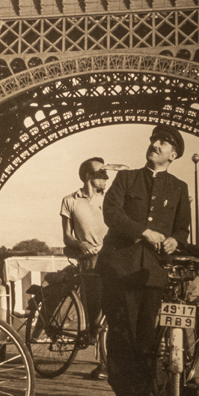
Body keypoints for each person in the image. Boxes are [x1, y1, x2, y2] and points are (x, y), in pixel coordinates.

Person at [96, 124, 192, 396]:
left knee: (147, 336)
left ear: (173, 155)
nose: (157, 144)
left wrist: (176, 240)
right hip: (120, 267)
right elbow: (111, 213)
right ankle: (126, 395)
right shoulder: (126, 178)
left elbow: (182, 229)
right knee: (123, 333)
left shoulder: (179, 187)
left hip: (152, 272)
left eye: (164, 143)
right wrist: (144, 232)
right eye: (155, 140)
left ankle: (145, 390)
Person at [60, 156, 114, 380]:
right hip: (89, 261)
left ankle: (106, 362)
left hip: (111, 258)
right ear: (88, 176)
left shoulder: (111, 199)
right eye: (101, 174)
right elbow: (66, 237)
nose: (107, 177)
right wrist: (80, 244)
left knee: (110, 312)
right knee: (95, 314)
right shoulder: (69, 200)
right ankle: (102, 361)